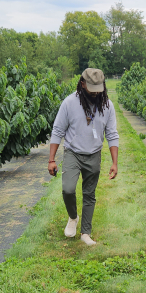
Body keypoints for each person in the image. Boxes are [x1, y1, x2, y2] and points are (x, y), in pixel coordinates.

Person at [48, 68, 119, 246]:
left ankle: (85, 233)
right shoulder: (70, 103)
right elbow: (58, 130)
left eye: (98, 89)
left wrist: (114, 162)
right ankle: (73, 217)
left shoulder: (107, 105)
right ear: (82, 84)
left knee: (89, 194)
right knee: (68, 189)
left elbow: (112, 134)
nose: (95, 93)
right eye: (91, 88)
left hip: (94, 154)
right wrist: (51, 159)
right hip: (73, 152)